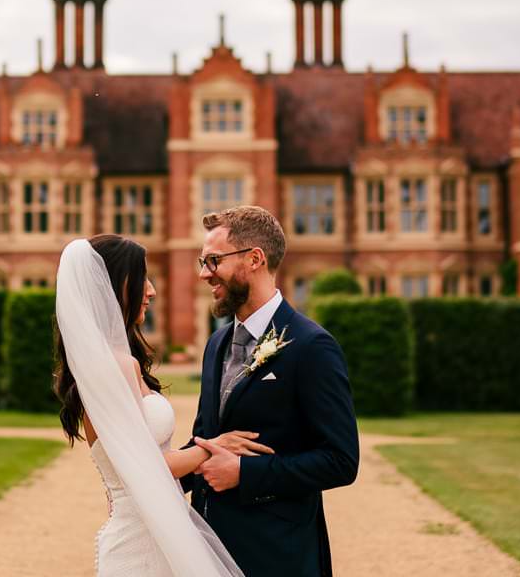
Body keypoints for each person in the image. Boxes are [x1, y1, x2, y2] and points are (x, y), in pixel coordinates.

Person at [54, 234, 254, 577]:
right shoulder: (118, 366)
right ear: (116, 285)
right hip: (141, 542)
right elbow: (149, 466)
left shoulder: (110, 362)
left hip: (152, 528)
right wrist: (215, 447)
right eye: (142, 278)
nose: (151, 291)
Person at [183, 205, 360, 577]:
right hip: (208, 549)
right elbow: (205, 439)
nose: (203, 273)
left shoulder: (312, 346)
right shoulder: (216, 344)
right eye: (203, 261)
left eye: (213, 261)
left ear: (254, 259)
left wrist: (245, 473)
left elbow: (341, 460)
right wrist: (145, 482)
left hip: (278, 554)